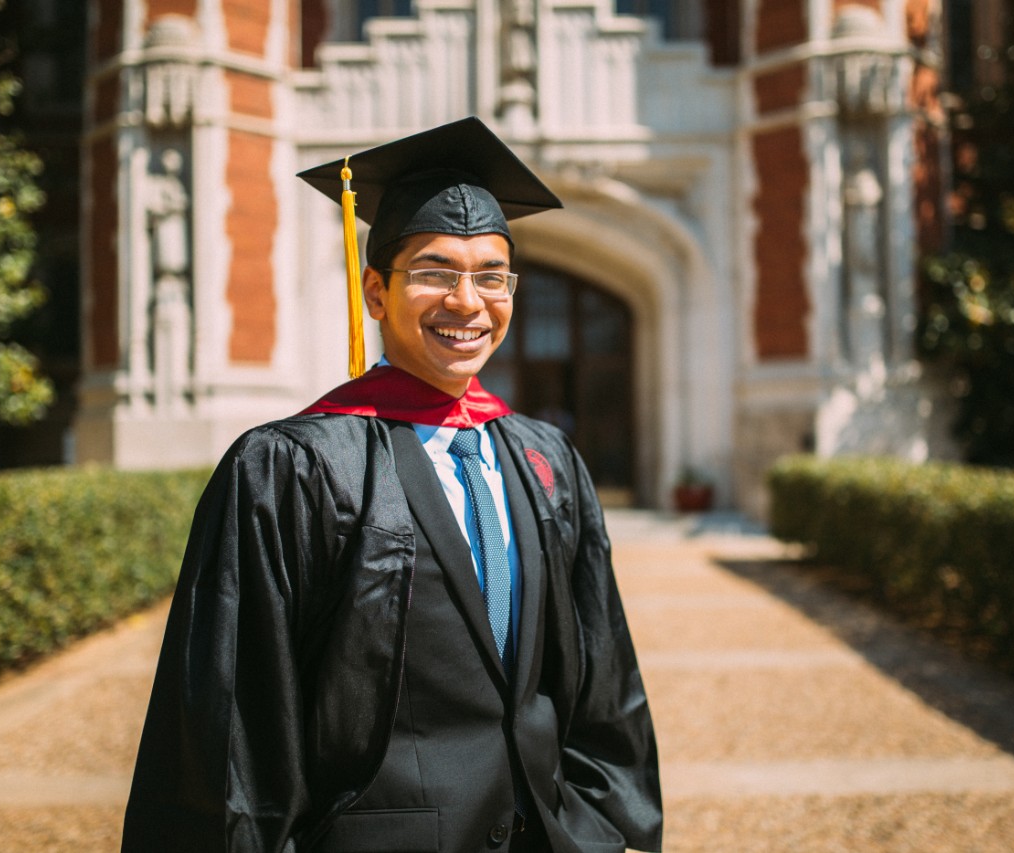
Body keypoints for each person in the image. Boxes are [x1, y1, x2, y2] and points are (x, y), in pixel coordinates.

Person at [121, 117, 662, 853]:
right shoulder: (292, 469)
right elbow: (233, 728)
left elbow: (604, 680)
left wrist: (604, 828)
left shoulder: (546, 459)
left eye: (491, 275)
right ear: (375, 292)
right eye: (435, 272)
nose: (468, 302)